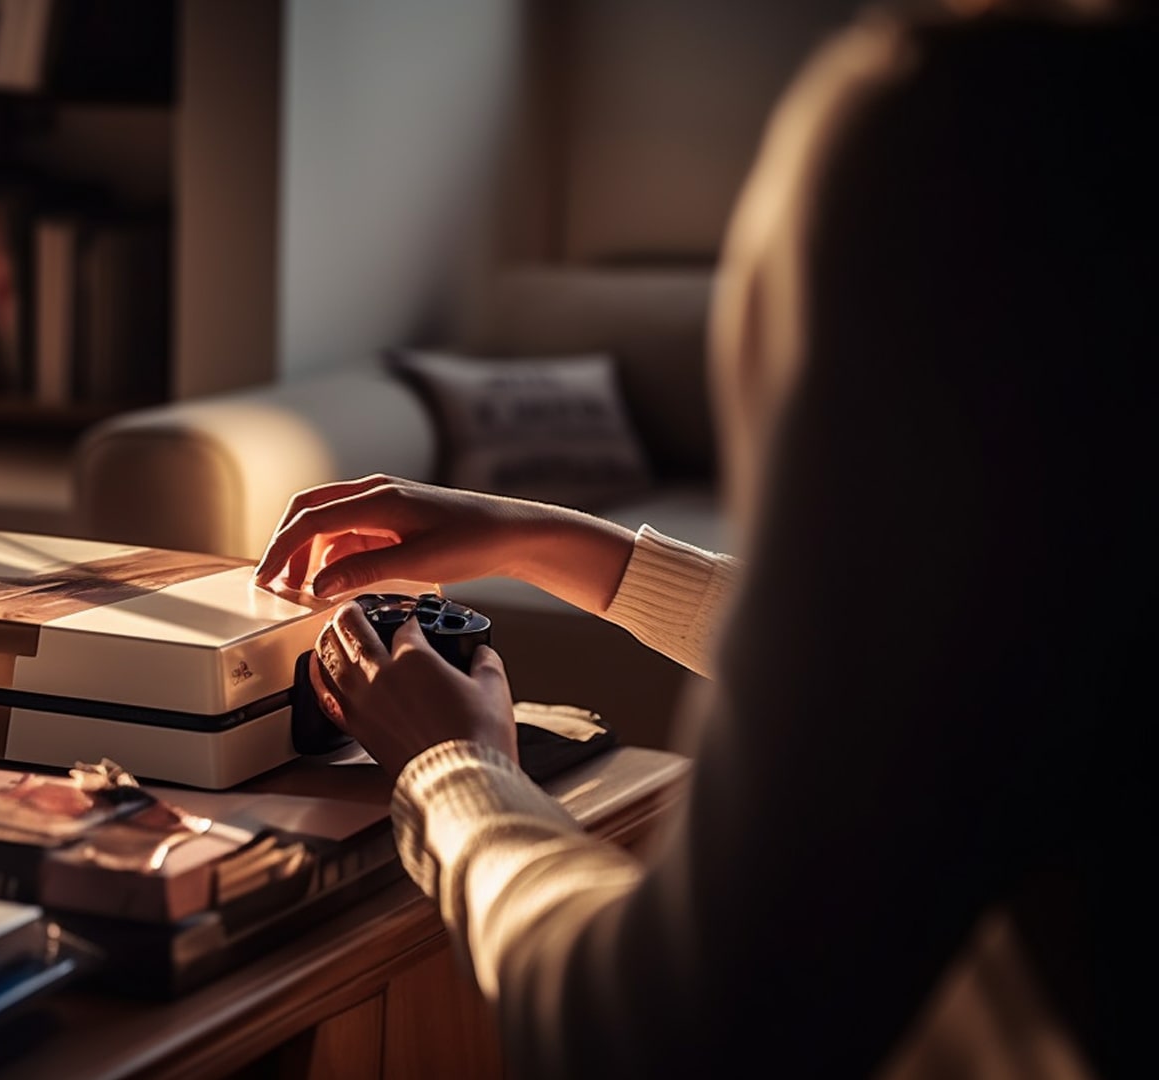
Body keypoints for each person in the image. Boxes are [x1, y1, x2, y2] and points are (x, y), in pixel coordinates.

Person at [255, 3, 1150, 1077]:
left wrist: (456, 772)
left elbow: (655, 1031)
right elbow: (965, 644)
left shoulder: (970, 125)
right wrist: (550, 540)